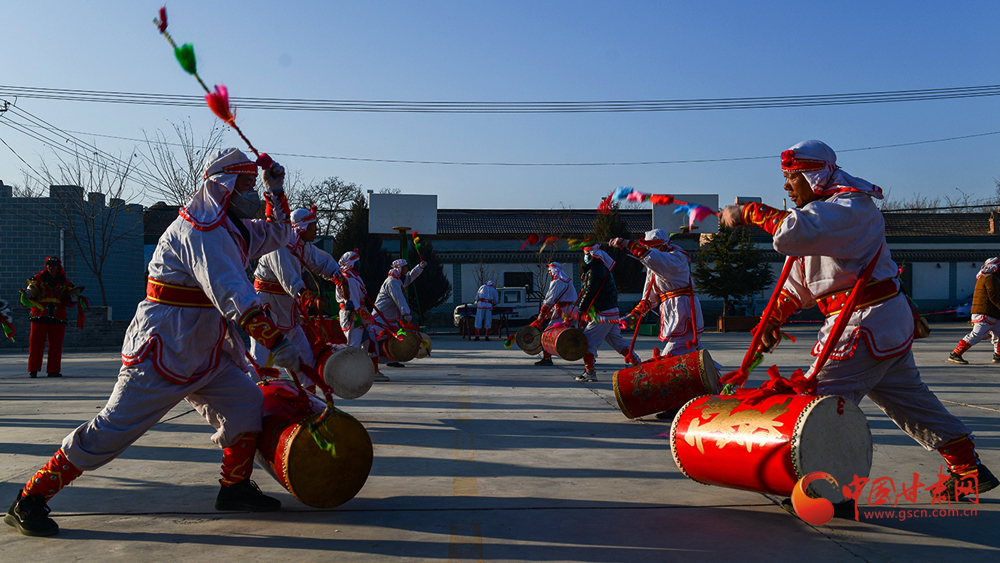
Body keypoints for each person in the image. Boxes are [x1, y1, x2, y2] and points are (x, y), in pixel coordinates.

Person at [4, 148, 300, 537]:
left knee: (245, 403)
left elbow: (280, 233)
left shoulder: (234, 227)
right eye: (245, 185)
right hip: (163, 350)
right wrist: (275, 340)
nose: (250, 194)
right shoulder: (202, 231)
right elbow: (233, 292)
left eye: (252, 186)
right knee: (112, 429)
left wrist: (274, 190)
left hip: (205, 351)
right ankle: (30, 498)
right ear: (224, 187)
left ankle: (235, 487)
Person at [719, 139, 998, 514]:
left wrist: (748, 212)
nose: (786, 185)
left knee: (821, 404)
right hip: (874, 323)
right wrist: (773, 318)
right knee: (909, 401)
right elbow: (800, 283)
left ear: (815, 176)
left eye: (792, 177)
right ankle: (967, 468)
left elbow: (789, 232)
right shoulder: (821, 216)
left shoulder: (851, 207)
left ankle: (830, 490)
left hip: (863, 323)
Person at [250, 206, 348, 384]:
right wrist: (310, 299)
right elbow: (289, 279)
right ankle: (245, 394)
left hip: (288, 307)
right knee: (260, 359)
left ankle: (309, 397)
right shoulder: (279, 245)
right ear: (301, 228)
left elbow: (322, 261)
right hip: (266, 305)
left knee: (305, 360)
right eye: (312, 225)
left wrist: (338, 277)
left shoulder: (304, 247)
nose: (316, 229)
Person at [611, 228, 705, 358]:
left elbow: (650, 257)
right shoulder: (656, 268)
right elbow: (649, 299)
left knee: (674, 353)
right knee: (692, 353)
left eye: (651, 246)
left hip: (682, 308)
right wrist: (633, 316)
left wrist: (627, 243)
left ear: (663, 245)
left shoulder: (675, 258)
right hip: (673, 309)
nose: (648, 249)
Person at [574, 244, 640, 382]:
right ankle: (637, 364)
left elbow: (590, 291)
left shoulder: (596, 269)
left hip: (602, 313)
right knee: (617, 341)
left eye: (585, 254)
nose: (584, 257)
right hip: (611, 310)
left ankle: (590, 372)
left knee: (587, 342)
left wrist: (581, 309)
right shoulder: (602, 268)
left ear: (591, 254)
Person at [20, 256, 83, 378]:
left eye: (54, 266)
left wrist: (73, 300)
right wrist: (28, 294)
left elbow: (67, 299)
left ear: (58, 267)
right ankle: (33, 370)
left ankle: (53, 370)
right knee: (35, 344)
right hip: (40, 314)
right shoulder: (37, 279)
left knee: (56, 345)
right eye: (49, 265)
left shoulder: (65, 282)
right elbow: (31, 292)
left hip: (58, 316)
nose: (51, 268)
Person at [336, 250, 386, 381]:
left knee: (371, 341)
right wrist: (366, 317)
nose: (359, 264)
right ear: (351, 264)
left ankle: (373, 371)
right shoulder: (348, 279)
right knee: (354, 345)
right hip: (353, 315)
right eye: (357, 262)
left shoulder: (354, 277)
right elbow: (353, 302)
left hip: (360, 314)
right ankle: (351, 374)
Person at [373, 258, 425, 367]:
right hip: (381, 317)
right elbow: (399, 299)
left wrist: (419, 267)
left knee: (393, 340)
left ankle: (391, 359)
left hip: (389, 318)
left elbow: (410, 277)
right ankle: (373, 363)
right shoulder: (392, 282)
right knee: (378, 341)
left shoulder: (398, 280)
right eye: (405, 267)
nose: (407, 269)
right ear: (399, 268)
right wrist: (406, 313)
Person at [949, 257, 1000, 364]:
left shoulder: (986, 277)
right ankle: (956, 354)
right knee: (976, 335)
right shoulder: (990, 278)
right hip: (986, 313)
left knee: (998, 334)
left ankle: (998, 355)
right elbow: (994, 296)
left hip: (991, 313)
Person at [529, 263, 578, 366]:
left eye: (550, 271)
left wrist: (542, 312)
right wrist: (551, 312)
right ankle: (585, 354)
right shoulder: (567, 281)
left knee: (547, 333)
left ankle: (547, 358)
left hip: (562, 312)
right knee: (574, 333)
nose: (549, 273)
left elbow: (550, 299)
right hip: (572, 309)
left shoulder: (557, 282)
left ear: (555, 271)